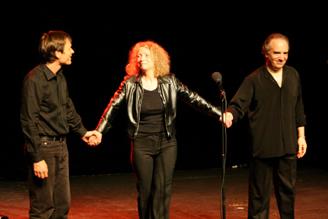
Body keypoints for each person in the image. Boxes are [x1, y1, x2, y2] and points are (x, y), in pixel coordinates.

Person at [90, 40, 222, 219]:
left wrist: (218, 114)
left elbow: (194, 98)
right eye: (138, 55)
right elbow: (113, 107)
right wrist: (99, 130)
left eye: (145, 55)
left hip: (166, 142)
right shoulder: (130, 84)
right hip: (141, 143)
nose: (140, 58)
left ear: (156, 59)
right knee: (145, 191)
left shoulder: (169, 81)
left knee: (162, 190)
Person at [222, 33, 307, 219]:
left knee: (287, 195)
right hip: (263, 147)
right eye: (277, 52)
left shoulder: (293, 75)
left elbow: (298, 108)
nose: (282, 57)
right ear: (266, 54)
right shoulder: (254, 79)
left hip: (288, 147)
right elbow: (238, 105)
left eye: (285, 53)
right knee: (259, 197)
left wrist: (301, 136)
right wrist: (229, 114)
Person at [20, 30, 100, 219]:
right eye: (69, 47)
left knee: (62, 206)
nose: (73, 51)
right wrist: (37, 157)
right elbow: (28, 120)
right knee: (43, 208)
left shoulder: (60, 77)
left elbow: (67, 109)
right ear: (57, 52)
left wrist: (83, 132)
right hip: (44, 148)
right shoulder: (34, 80)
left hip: (61, 147)